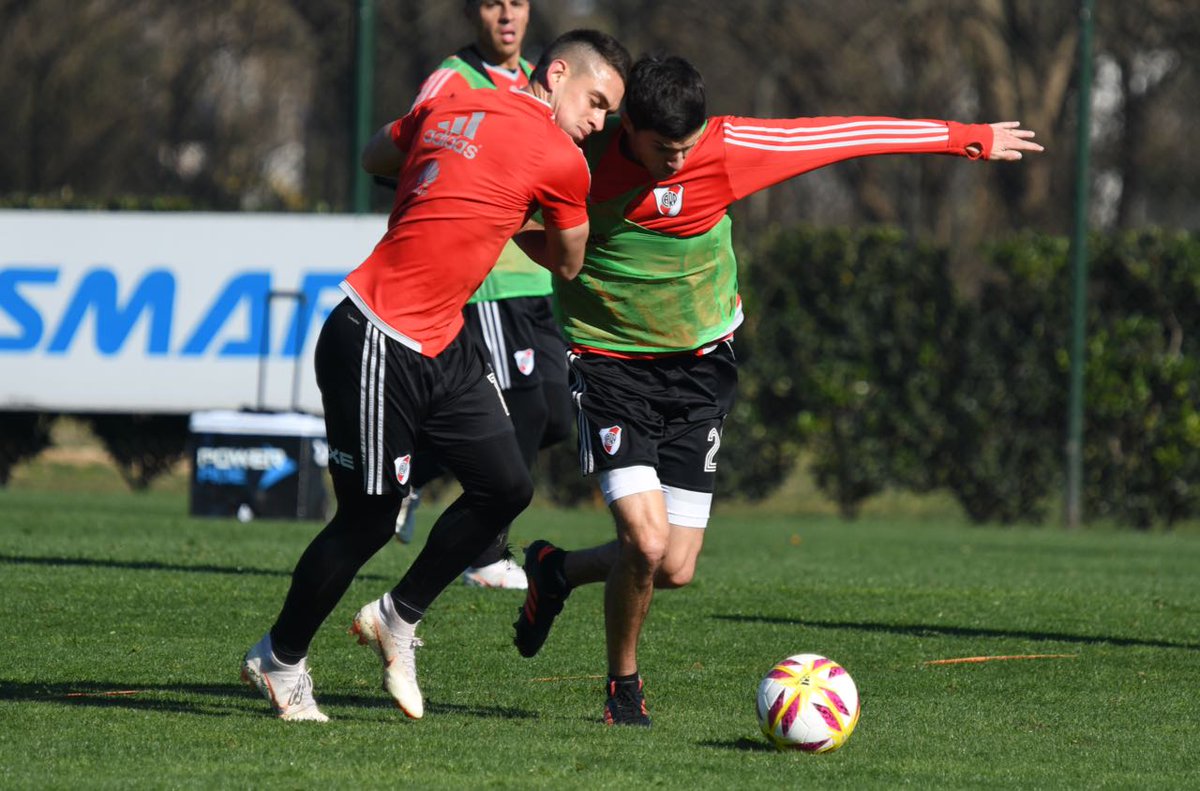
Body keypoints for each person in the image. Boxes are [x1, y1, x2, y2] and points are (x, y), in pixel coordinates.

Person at [512, 54, 1044, 726]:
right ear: (630, 127)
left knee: (673, 566)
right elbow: (518, 216)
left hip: (701, 368)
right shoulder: (579, 160)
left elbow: (845, 135)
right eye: (662, 148)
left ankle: (555, 571)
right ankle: (623, 688)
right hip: (610, 368)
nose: (678, 162)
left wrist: (965, 136)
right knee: (644, 544)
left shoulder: (728, 148)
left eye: (686, 147)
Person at [240, 29, 631, 723]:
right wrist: (507, 213)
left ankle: (397, 616)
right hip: (376, 336)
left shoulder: (453, 98)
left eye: (608, 113)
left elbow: (376, 156)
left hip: (442, 340)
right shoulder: (564, 160)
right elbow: (570, 263)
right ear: (559, 72)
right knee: (366, 520)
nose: (599, 121)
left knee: (506, 485)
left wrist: (464, 186)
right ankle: (279, 658)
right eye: (597, 101)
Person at [393, 0, 575, 593]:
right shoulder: (452, 78)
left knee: (553, 412)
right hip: (491, 277)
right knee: (520, 409)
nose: (507, 15)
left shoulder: (540, 81)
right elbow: (411, 147)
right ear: (474, 12)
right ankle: (485, 552)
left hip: (536, 277)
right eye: (494, 2)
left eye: (517, 3)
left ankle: (411, 471)